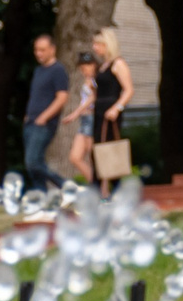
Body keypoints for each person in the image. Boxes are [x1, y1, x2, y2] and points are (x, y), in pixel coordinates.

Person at [88, 28, 133, 194]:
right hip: (99, 111)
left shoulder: (118, 64)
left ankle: (109, 190)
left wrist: (116, 108)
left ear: (107, 44)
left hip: (110, 112)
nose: (94, 47)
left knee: (109, 151)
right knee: (98, 152)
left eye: (98, 44)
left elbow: (128, 90)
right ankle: (104, 190)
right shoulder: (102, 66)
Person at [23, 34, 69, 192]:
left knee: (33, 162)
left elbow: (62, 98)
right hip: (30, 122)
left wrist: (44, 117)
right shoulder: (38, 70)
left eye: (42, 50)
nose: (38, 53)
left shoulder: (58, 70)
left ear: (52, 49)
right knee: (32, 167)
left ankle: (66, 186)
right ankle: (41, 198)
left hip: (44, 124)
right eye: (36, 50)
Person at [64, 53, 98, 184]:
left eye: (86, 67)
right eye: (82, 68)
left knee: (93, 156)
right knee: (75, 157)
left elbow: (92, 98)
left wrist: (76, 113)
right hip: (84, 120)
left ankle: (102, 188)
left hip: (91, 118)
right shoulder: (87, 80)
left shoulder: (95, 80)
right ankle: (94, 183)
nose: (84, 71)